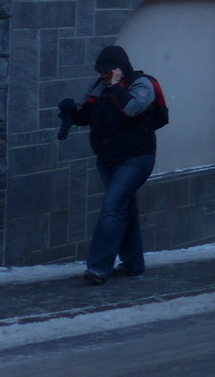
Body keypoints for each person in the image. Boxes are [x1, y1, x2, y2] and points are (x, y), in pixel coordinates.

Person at [61, 45, 158, 285]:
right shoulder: (99, 86)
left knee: (112, 209)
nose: (104, 75)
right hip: (107, 159)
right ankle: (134, 263)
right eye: (101, 71)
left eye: (108, 71)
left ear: (119, 68)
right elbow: (86, 116)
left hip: (136, 158)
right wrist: (72, 111)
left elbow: (133, 110)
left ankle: (98, 268)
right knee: (124, 209)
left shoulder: (141, 84)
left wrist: (115, 86)